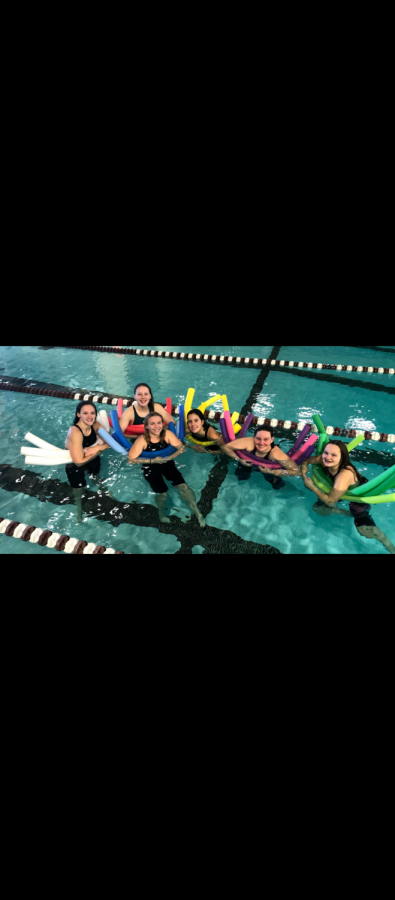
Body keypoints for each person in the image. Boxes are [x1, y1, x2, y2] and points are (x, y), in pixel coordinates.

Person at [301, 440, 395, 554]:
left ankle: (391, 547)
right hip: (338, 490)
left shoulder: (344, 475)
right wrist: (304, 470)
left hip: (356, 495)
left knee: (365, 530)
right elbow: (307, 461)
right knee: (318, 508)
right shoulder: (324, 459)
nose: (328, 457)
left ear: (342, 458)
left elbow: (331, 501)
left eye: (334, 455)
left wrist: (312, 487)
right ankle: (345, 513)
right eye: (326, 453)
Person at [128, 412, 206, 527]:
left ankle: (197, 512)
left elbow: (181, 449)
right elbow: (130, 460)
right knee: (163, 493)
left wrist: (169, 458)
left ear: (162, 424)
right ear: (146, 426)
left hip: (166, 463)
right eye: (152, 424)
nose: (156, 426)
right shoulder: (142, 440)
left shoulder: (167, 434)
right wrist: (152, 461)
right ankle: (161, 513)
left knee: (184, 487)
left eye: (159, 423)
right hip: (150, 467)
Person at [65, 401, 110, 522]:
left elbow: (109, 441)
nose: (90, 416)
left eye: (92, 413)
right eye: (85, 413)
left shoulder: (95, 425)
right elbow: (79, 462)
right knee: (79, 489)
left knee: (96, 475)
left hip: (91, 457)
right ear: (78, 414)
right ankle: (79, 508)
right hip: (74, 463)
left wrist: (98, 447)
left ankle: (103, 490)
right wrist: (99, 451)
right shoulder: (75, 432)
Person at [223, 424, 301, 487]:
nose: (261, 443)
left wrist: (272, 471)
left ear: (272, 439)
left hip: (268, 468)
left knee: (277, 484)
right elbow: (226, 447)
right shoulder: (249, 443)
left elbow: (297, 472)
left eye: (266, 439)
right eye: (258, 439)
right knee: (240, 477)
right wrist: (239, 459)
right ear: (254, 438)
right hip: (246, 462)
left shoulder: (275, 454)